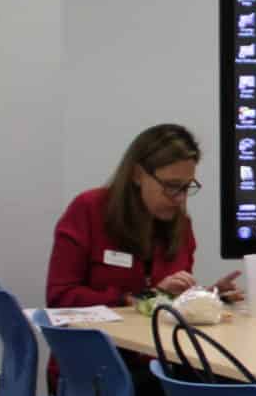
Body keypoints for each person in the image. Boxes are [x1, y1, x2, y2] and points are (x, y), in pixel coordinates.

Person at [49, 124, 243, 309]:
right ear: (137, 175)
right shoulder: (89, 209)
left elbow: (172, 301)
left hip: (155, 332)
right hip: (99, 332)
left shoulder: (182, 225)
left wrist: (208, 297)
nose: (180, 198)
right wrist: (135, 299)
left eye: (186, 187)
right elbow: (59, 297)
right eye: (172, 186)